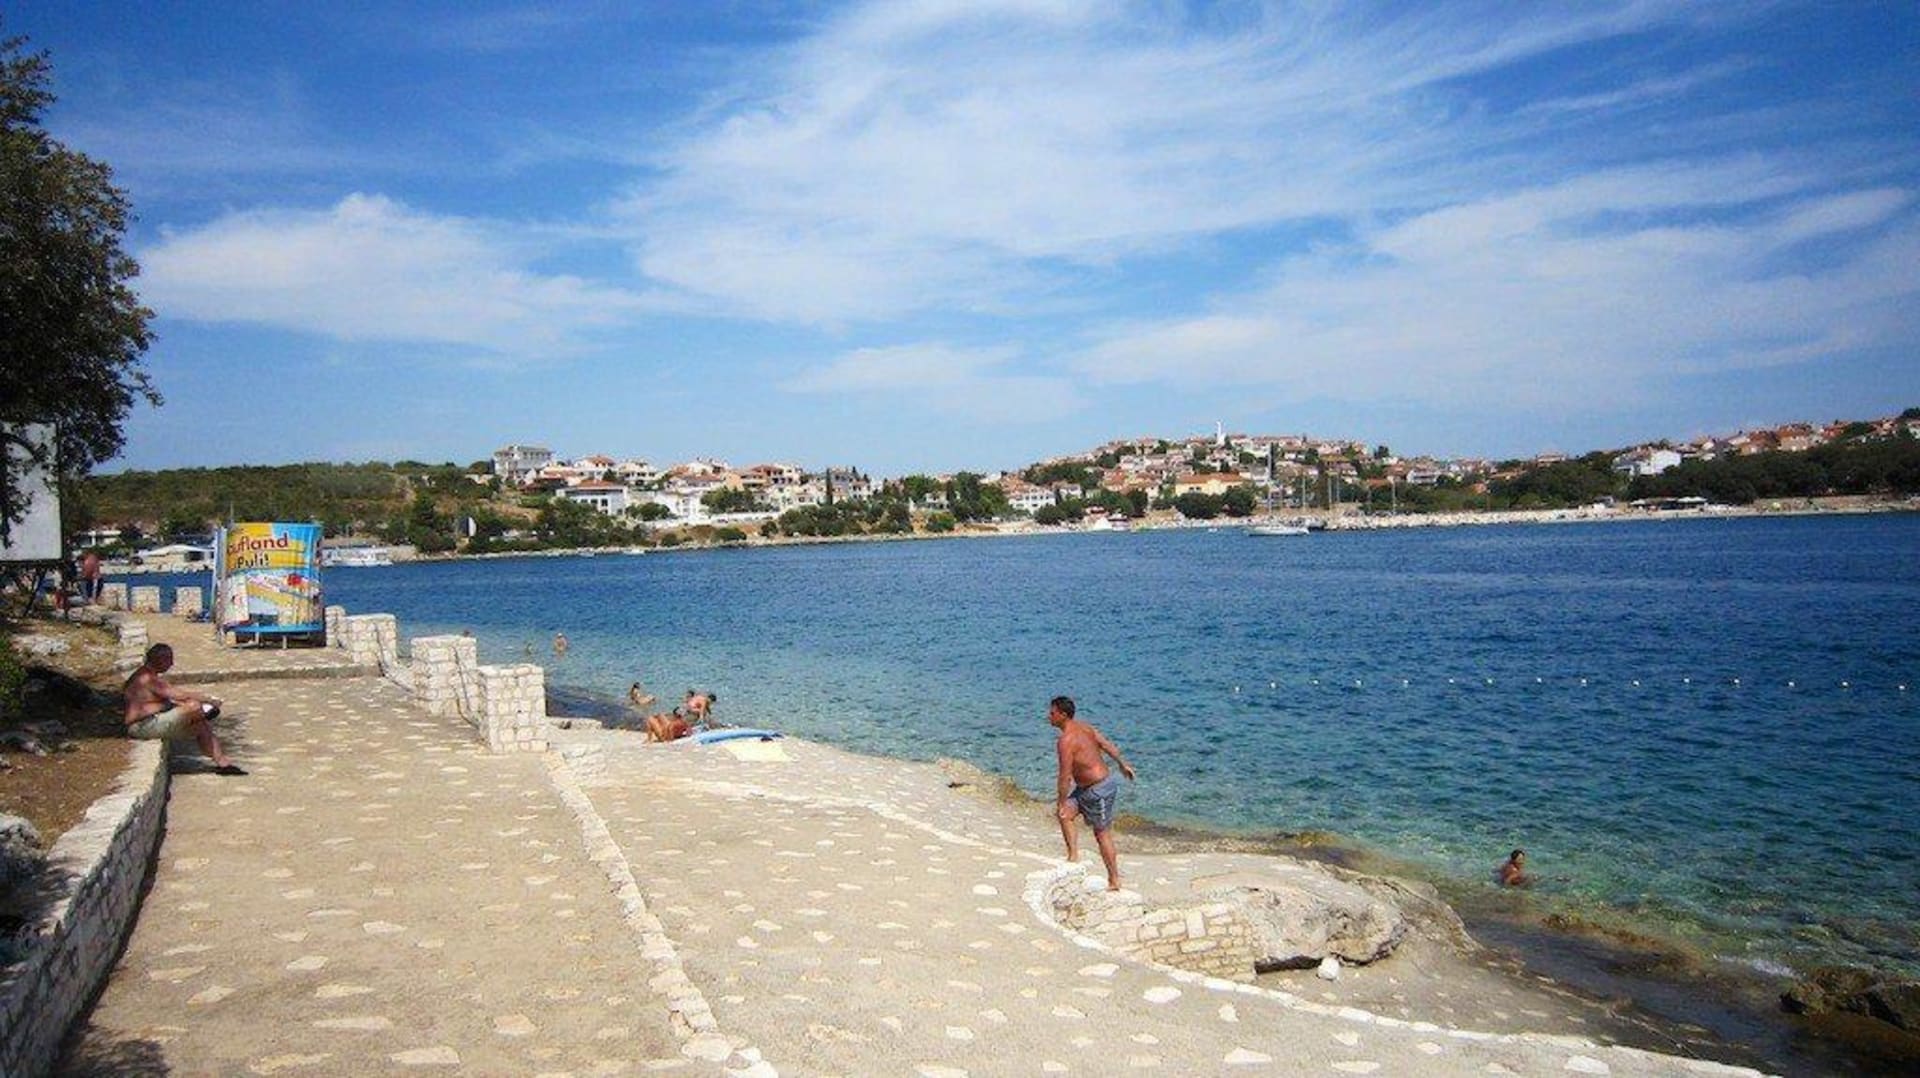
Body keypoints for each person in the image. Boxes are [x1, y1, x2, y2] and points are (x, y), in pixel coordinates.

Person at [1049, 695, 1136, 891]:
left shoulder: (1066, 740)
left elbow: (1065, 776)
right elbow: (1106, 745)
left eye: (1052, 713)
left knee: (1101, 833)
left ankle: (1114, 880)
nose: (1049, 716)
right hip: (1083, 789)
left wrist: (1061, 800)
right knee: (1064, 814)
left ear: (1063, 715)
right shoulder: (1085, 727)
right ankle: (1073, 858)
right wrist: (1122, 764)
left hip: (1100, 790)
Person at [124, 643, 244, 775]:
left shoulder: (144, 675)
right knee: (193, 706)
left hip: (150, 722)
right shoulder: (147, 678)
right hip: (142, 726)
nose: (172, 664)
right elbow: (181, 695)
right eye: (169, 659)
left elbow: (161, 701)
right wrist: (210, 700)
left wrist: (166, 705)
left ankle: (223, 764)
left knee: (201, 725)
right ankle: (204, 712)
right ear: (160, 659)